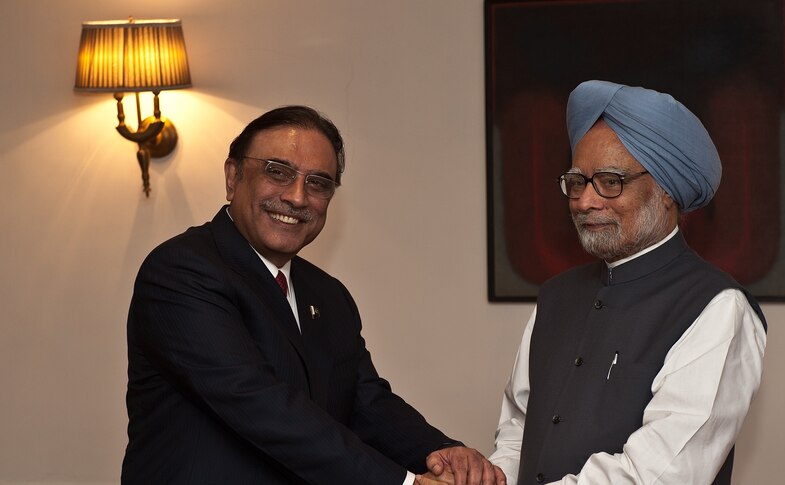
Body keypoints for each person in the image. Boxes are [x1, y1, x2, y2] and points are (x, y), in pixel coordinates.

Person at [122, 105, 505, 485]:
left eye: (318, 183)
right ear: (232, 176)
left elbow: (365, 402)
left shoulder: (328, 294)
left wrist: (441, 454)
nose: (297, 197)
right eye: (278, 172)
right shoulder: (181, 272)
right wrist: (403, 483)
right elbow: (259, 403)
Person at [489, 80, 768, 485]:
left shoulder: (717, 307)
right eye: (577, 182)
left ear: (667, 190)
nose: (585, 201)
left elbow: (659, 474)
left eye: (610, 181)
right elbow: (518, 428)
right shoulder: (555, 296)